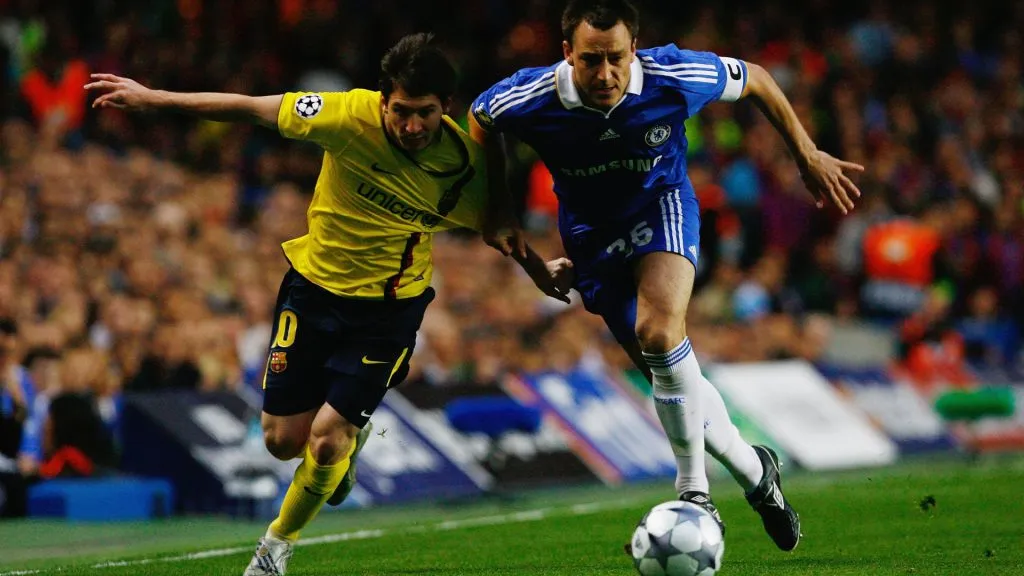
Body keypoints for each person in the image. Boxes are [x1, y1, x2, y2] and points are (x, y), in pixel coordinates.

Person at [87, 33, 567, 576]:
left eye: (425, 114)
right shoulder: (344, 117)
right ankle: (351, 444)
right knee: (281, 441)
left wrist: (540, 269)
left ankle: (274, 549)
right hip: (311, 291)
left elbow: (500, 232)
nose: (412, 127)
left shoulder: (464, 169)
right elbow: (250, 109)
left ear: (446, 109)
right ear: (382, 100)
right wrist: (153, 99)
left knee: (324, 437)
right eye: (402, 112)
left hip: (387, 313)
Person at [469, 0, 863, 552]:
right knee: (672, 379)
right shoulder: (530, 95)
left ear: (636, 50)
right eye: (590, 61)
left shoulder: (676, 75)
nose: (605, 74)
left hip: (663, 209)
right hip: (592, 239)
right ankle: (757, 475)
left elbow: (758, 79)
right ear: (567, 54)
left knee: (660, 332)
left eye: (616, 59)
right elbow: (481, 118)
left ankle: (694, 493)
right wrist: (500, 208)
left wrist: (805, 154)